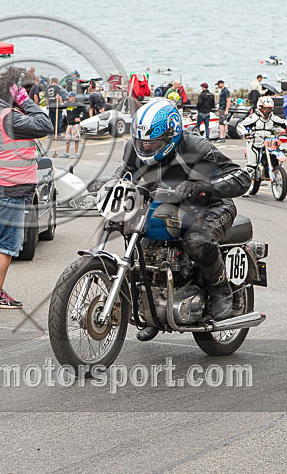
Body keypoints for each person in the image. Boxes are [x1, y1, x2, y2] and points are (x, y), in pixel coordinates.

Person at [103, 99, 250, 339]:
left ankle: (221, 291)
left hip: (211, 205)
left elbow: (241, 177)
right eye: (143, 144)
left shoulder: (196, 147)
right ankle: (151, 308)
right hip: (166, 205)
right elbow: (125, 174)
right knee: (140, 240)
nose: (147, 150)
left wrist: (204, 186)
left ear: (171, 135)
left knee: (196, 239)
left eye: (154, 144)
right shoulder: (134, 148)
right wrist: (108, 185)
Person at [0, 68, 53, 308]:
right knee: (7, 244)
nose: (31, 96)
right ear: (16, 92)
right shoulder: (10, 117)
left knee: (2, 239)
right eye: (27, 92)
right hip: (9, 187)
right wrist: (26, 101)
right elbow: (45, 124)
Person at [237, 96, 287, 177]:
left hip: (270, 142)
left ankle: (276, 170)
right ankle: (245, 181)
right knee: (251, 166)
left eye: (269, 109)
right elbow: (240, 125)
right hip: (255, 142)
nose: (267, 111)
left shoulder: (273, 117)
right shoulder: (254, 117)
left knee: (277, 155)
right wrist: (245, 133)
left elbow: (284, 123)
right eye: (265, 109)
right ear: (260, 108)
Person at [63, 92, 86, 158]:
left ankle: (76, 154)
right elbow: (60, 107)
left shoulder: (78, 104)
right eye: (69, 97)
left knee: (76, 139)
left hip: (76, 125)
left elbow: (86, 112)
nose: (69, 98)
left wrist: (80, 118)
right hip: (69, 124)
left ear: (74, 97)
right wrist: (58, 100)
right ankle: (66, 153)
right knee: (67, 139)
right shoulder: (67, 104)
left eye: (70, 97)